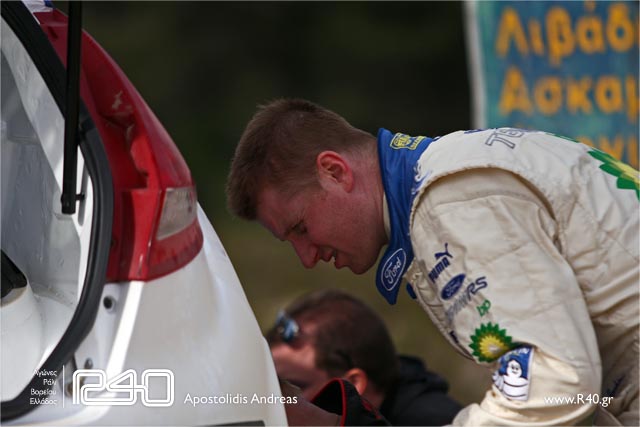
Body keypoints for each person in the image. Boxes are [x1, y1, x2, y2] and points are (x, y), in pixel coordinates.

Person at [226, 98, 639, 426]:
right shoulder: (456, 169)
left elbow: (553, 384)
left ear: (335, 171)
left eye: (300, 227)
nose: (306, 257)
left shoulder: (451, 200)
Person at [265, 289, 461, 426]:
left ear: (353, 383)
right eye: (275, 385)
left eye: (295, 386)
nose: (281, 397)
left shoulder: (438, 421)